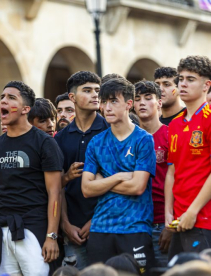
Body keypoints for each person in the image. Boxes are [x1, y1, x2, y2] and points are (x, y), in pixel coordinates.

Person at [0, 80, 64, 276]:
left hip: (33, 229)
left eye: (11, 98)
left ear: (26, 108)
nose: (4, 101)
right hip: (0, 232)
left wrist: (51, 236)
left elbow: (55, 192)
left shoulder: (44, 143)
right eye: (2, 97)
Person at [82, 78, 156, 275]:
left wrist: (102, 181)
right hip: (101, 228)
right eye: (104, 102)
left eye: (113, 101)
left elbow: (137, 187)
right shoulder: (96, 142)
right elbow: (86, 189)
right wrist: (119, 177)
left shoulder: (144, 140)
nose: (107, 107)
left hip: (135, 228)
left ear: (128, 104)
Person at [54, 71, 108, 270]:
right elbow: (55, 187)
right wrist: (65, 225)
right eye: (87, 90)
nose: (95, 95)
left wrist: (94, 221)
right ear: (72, 97)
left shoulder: (109, 130)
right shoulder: (59, 139)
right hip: (73, 229)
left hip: (106, 225)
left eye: (97, 90)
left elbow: (115, 182)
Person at [165, 56, 211, 260]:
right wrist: (168, 212)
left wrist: (192, 211)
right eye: (181, 78)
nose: (182, 84)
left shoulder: (209, 118)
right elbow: (172, 171)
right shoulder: (174, 124)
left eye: (190, 79)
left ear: (206, 85)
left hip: (203, 219)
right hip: (178, 220)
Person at [133, 80, 172, 267]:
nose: (141, 103)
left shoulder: (171, 135)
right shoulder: (128, 139)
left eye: (148, 98)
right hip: (135, 224)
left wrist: (170, 224)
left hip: (161, 223)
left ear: (159, 102)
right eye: (137, 99)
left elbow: (178, 180)